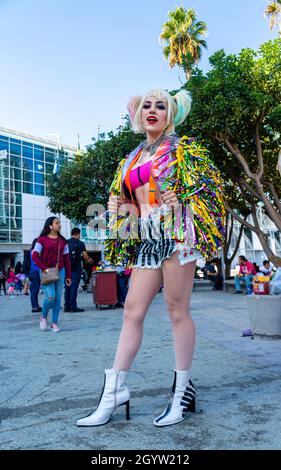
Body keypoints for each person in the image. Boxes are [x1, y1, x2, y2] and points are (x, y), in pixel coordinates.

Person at [76, 88, 225, 428]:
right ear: (138, 115)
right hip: (146, 237)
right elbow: (131, 205)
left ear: (170, 114)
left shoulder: (183, 151)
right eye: (147, 105)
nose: (153, 110)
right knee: (132, 309)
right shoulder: (130, 158)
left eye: (161, 105)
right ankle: (114, 392)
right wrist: (118, 209)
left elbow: (209, 191)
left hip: (176, 235)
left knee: (176, 309)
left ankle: (182, 393)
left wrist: (182, 199)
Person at [32, 216, 71, 332]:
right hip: (46, 271)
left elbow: (67, 259)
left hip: (61, 271)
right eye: (56, 223)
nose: (59, 225)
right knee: (50, 296)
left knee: (58, 298)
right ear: (50, 226)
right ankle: (43, 317)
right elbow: (34, 255)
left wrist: (68, 276)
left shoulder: (63, 241)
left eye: (59, 223)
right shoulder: (42, 240)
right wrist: (44, 268)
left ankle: (54, 323)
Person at [64, 227, 93, 312]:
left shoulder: (66, 242)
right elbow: (85, 256)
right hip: (76, 269)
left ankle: (67, 306)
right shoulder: (80, 243)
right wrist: (90, 260)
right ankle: (73, 306)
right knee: (74, 288)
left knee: (67, 287)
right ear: (78, 234)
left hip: (67, 269)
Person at [28, 238, 42, 312]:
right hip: (36, 272)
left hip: (32, 271)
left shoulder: (31, 251)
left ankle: (36, 305)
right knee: (35, 290)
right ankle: (34, 307)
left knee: (34, 290)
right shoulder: (36, 252)